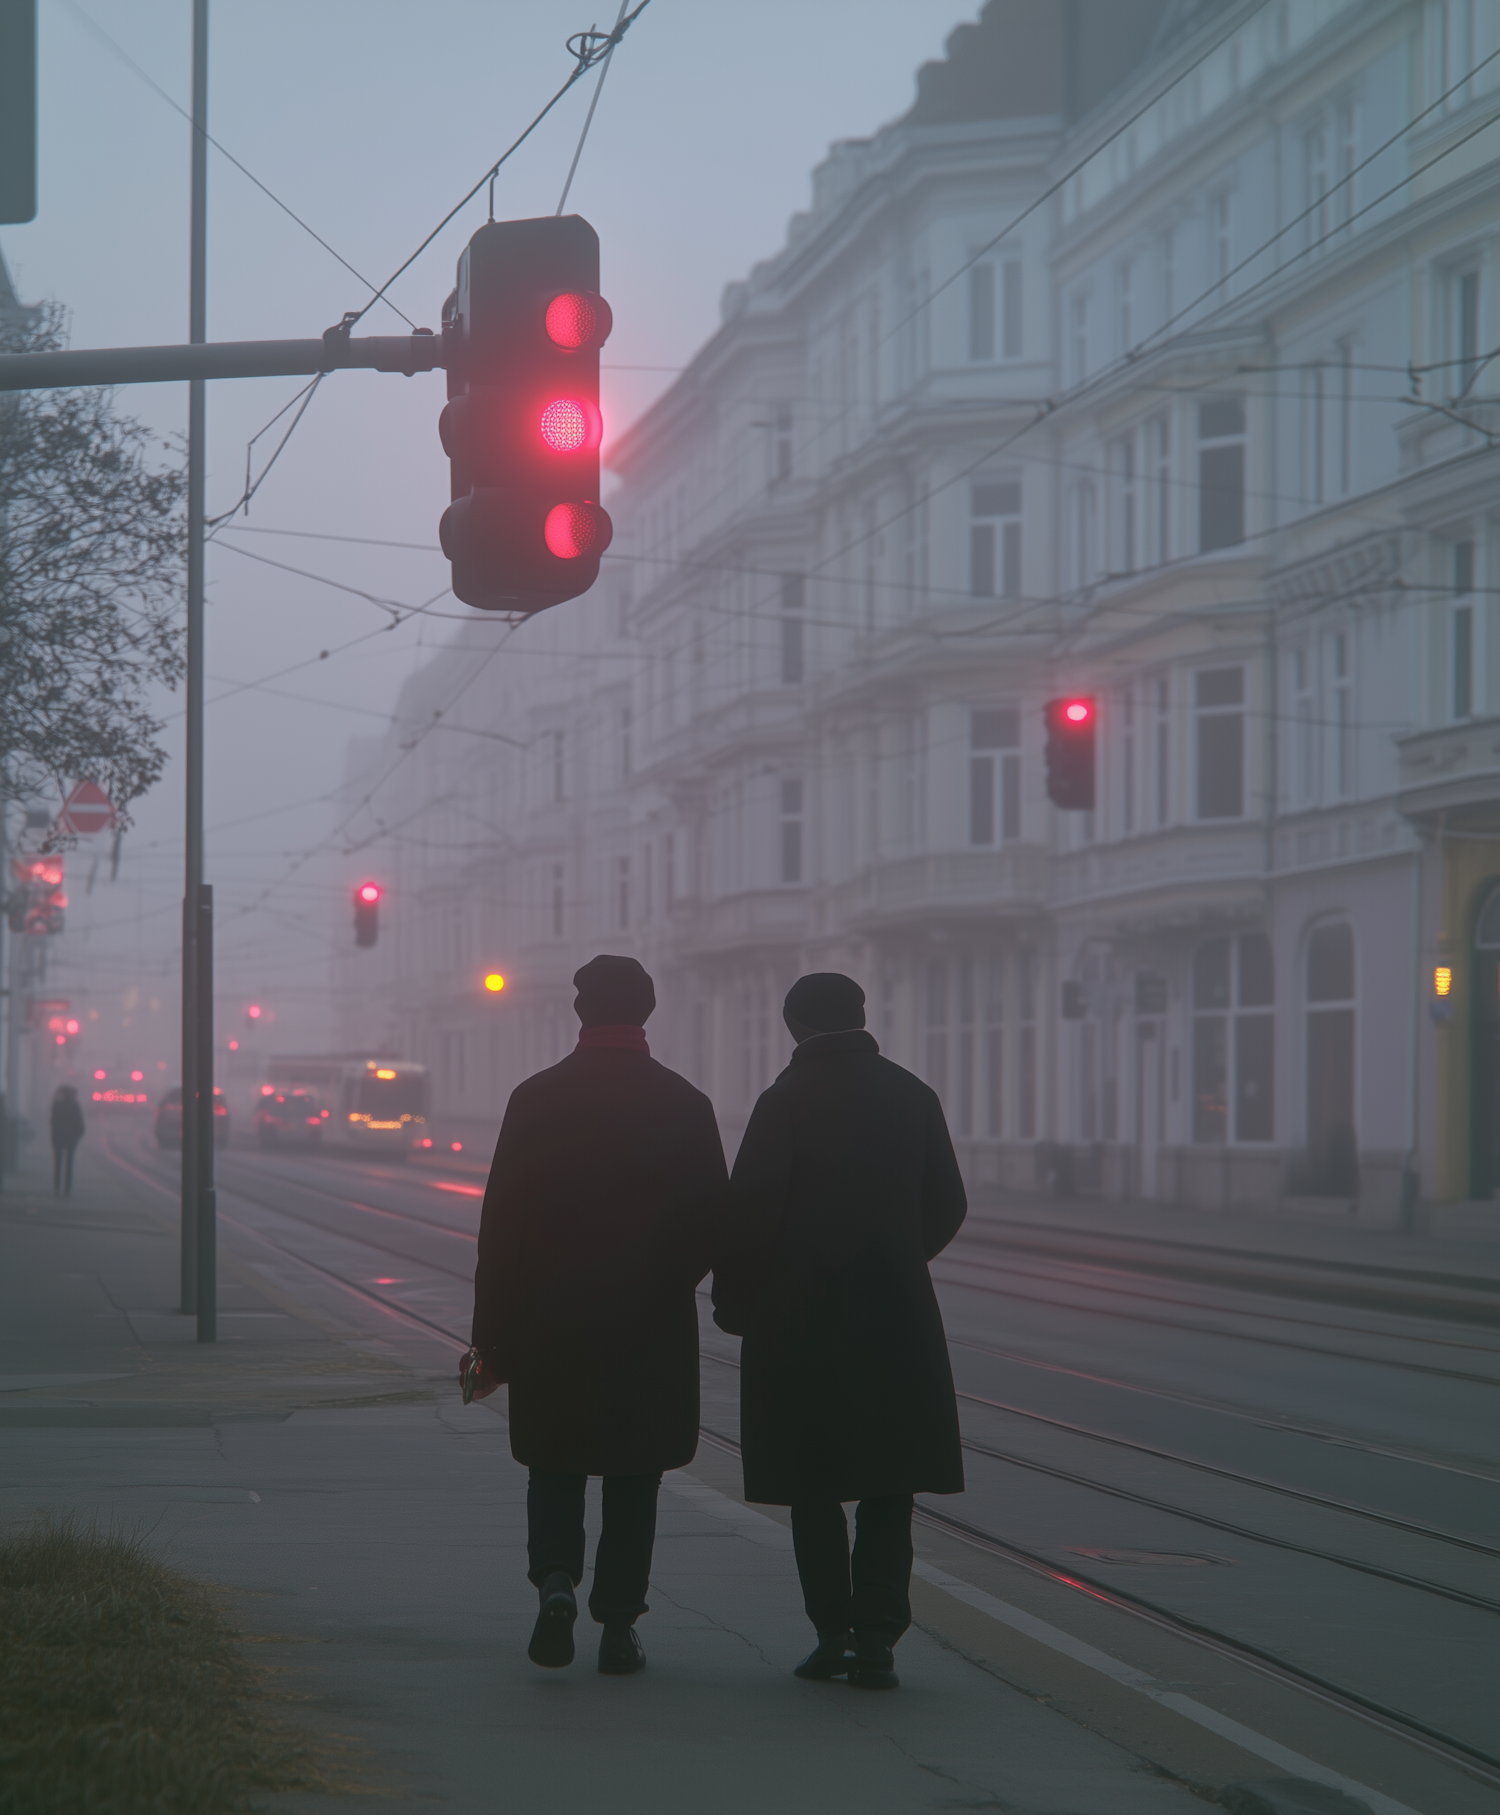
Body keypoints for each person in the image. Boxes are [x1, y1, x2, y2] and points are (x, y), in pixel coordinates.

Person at [466, 954, 728, 1676]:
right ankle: (618, 1624)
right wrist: (667, 1275)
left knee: (554, 1462)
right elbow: (715, 1221)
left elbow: (502, 1230)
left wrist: (490, 1338)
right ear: (647, 1014)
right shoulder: (685, 1103)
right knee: (634, 1474)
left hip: (551, 1322)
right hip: (647, 1324)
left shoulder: (535, 1098)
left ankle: (555, 1582)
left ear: (578, 1014)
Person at [712, 971, 967, 1691]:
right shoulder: (913, 1094)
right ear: (859, 1017)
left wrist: (736, 1304)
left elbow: (748, 1215)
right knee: (891, 1480)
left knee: (812, 1479)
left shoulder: (784, 1100)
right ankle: (879, 1636)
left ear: (793, 1024)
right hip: (894, 1310)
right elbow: (948, 1201)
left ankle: (832, 1630)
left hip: (802, 1317)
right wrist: (895, 1252)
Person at [50, 1084, 85, 1197]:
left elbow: (53, 1123)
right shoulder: (75, 1106)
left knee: (58, 1164)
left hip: (58, 1138)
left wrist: (54, 1138)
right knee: (69, 1164)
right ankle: (67, 1190)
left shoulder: (57, 1105)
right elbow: (81, 1125)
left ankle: (57, 1188)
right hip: (71, 1139)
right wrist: (76, 1137)